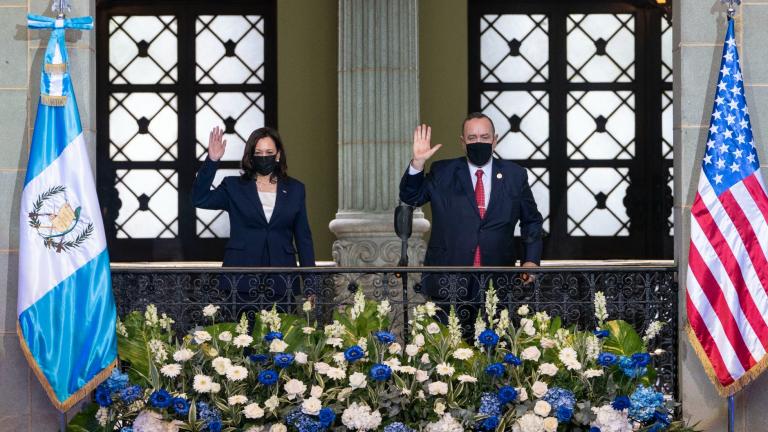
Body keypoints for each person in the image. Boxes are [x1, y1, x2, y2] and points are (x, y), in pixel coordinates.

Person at [399, 113, 543, 327]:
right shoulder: (443, 172)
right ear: (462, 142)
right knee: (447, 353)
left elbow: (531, 220)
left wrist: (530, 260)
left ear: (495, 140)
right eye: (472, 138)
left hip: (497, 279)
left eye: (484, 137)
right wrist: (418, 163)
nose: (479, 142)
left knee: (494, 348)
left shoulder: (515, 175)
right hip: (448, 278)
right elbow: (411, 197)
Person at [192, 126, 315, 309]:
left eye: (269, 152)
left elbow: (303, 238)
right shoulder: (234, 187)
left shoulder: (296, 189)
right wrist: (212, 160)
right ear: (251, 156)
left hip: (282, 281)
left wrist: (311, 285)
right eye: (258, 152)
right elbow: (199, 198)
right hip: (240, 280)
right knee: (241, 336)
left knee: (280, 336)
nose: (264, 156)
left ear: (278, 155)